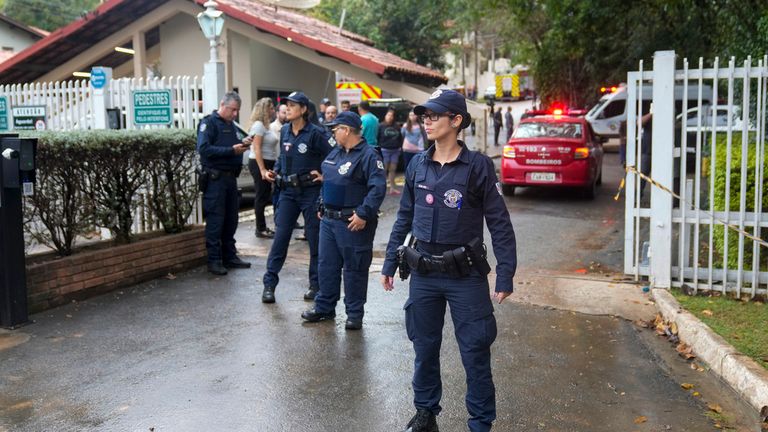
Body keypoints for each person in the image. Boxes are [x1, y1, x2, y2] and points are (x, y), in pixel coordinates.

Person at [381, 89, 517, 432]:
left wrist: (505, 273)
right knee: (424, 348)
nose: (426, 121)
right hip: (423, 271)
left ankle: (480, 423)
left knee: (474, 351)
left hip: (465, 275)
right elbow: (404, 217)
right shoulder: (416, 164)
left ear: (456, 121)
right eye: (424, 116)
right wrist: (388, 262)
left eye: (434, 116)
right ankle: (426, 413)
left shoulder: (478, 167)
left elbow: (499, 222)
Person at [301, 111, 386, 330]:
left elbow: (377, 189)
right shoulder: (335, 153)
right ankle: (324, 307)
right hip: (329, 222)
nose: (333, 133)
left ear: (346, 130)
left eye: (335, 129)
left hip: (353, 222)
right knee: (326, 266)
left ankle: (354, 313)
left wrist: (364, 214)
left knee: (354, 269)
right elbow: (326, 181)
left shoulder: (369, 155)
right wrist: (322, 204)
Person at [261, 91, 333, 303]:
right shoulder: (284, 130)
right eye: (287, 105)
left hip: (310, 193)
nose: (288, 108)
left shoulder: (316, 134)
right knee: (280, 239)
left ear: (304, 110)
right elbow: (282, 158)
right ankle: (269, 285)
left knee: (314, 240)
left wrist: (324, 174)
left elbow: (334, 156)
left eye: (293, 105)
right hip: (287, 194)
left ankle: (315, 285)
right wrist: (275, 170)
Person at [197, 92, 253, 275]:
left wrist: (242, 144)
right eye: (233, 110)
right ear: (223, 104)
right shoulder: (209, 123)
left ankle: (230, 256)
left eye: (237, 110)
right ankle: (214, 260)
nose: (235, 114)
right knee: (216, 221)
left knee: (231, 219)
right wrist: (231, 150)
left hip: (230, 179)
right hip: (216, 179)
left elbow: (231, 145)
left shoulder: (230, 125)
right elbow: (204, 149)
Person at [247, 98, 278, 239]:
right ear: (264, 109)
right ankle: (260, 228)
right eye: (271, 108)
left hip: (268, 162)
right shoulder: (259, 125)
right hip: (260, 162)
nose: (273, 111)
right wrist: (262, 169)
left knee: (265, 195)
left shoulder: (266, 126)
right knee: (261, 196)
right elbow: (256, 147)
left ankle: (263, 226)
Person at [377, 107, 403, 195]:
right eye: (388, 115)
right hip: (384, 150)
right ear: (385, 116)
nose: (390, 117)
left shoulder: (397, 126)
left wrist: (400, 147)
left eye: (392, 115)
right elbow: (377, 137)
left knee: (393, 169)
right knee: (384, 169)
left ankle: (392, 188)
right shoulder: (381, 125)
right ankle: (382, 188)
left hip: (395, 150)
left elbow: (400, 138)